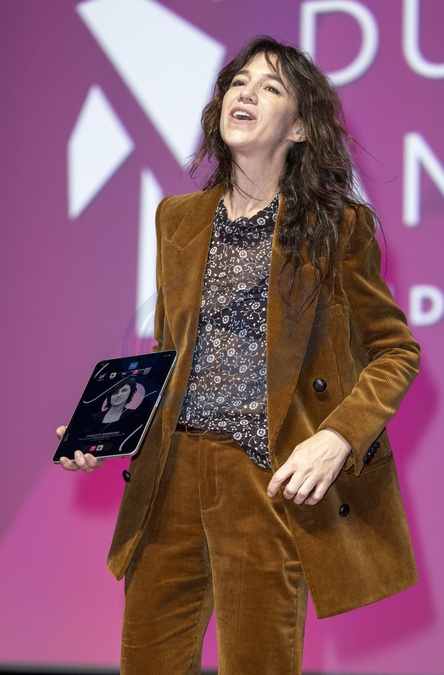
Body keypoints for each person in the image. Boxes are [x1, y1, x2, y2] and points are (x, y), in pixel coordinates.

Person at [58, 36, 420, 675]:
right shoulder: (177, 218)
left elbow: (396, 352)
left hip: (264, 479)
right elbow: (170, 354)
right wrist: (105, 426)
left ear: (300, 127)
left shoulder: (337, 228)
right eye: (239, 82)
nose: (246, 94)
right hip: (168, 476)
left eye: (271, 87)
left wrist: (337, 437)